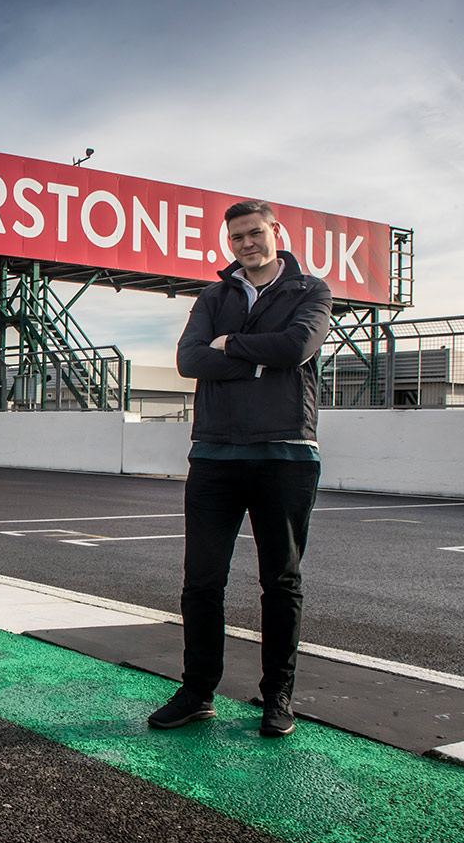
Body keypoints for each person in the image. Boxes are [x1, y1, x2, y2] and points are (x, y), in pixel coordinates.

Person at [147, 200, 333, 738]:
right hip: (213, 454)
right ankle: (197, 691)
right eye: (236, 238)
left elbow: (298, 346)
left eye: (255, 234)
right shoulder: (213, 294)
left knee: (281, 580)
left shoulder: (311, 291)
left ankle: (277, 696)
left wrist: (229, 346)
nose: (246, 244)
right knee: (201, 580)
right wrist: (257, 359)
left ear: (276, 232)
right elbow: (189, 359)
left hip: (285, 453)